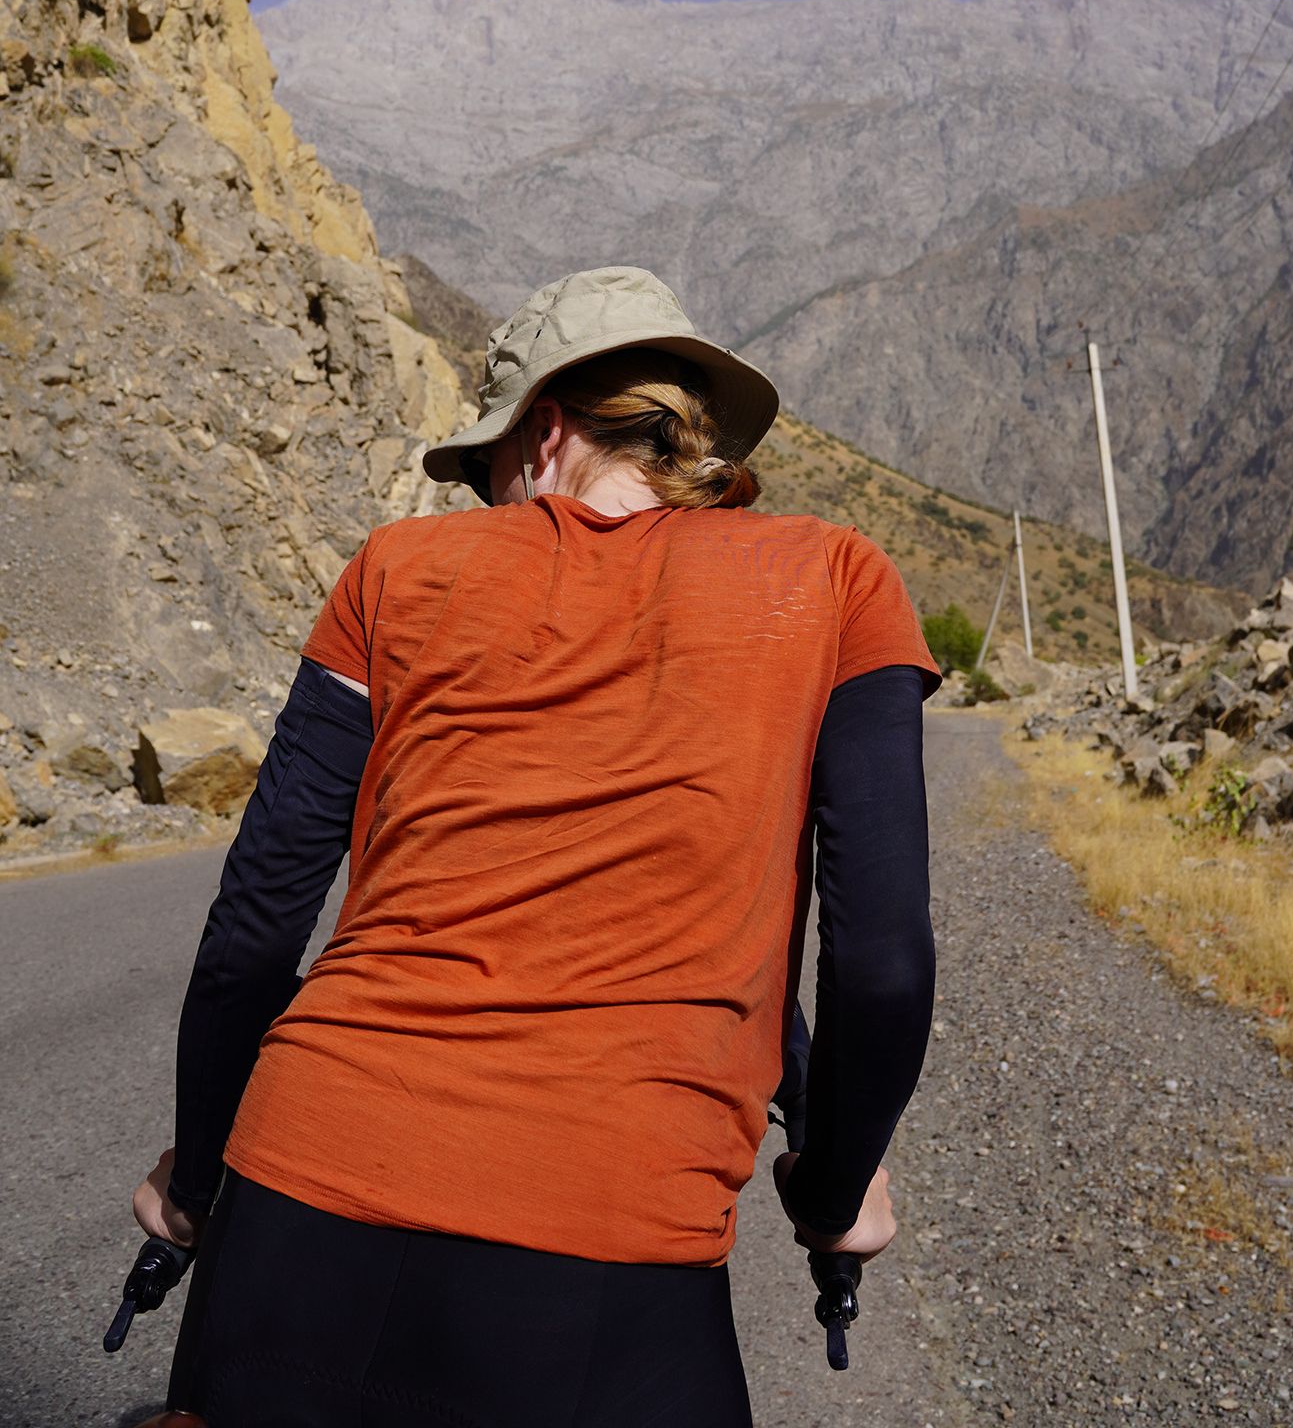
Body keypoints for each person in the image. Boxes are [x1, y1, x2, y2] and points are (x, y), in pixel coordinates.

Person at [131, 264, 939, 1426]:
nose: (485, 501)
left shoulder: (391, 570)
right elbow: (877, 961)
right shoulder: (837, 579)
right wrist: (833, 1187)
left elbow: (255, 924)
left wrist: (197, 1172)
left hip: (297, 1203)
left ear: (547, 432)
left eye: (484, 471)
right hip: (610, 1261)